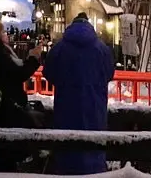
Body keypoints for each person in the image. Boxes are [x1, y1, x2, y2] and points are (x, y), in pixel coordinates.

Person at [43, 14, 115, 175]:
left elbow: (48, 72)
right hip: (94, 106)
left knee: (66, 148)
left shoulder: (59, 48)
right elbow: (109, 73)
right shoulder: (102, 49)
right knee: (93, 147)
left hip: (65, 106)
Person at [0, 10, 45, 172]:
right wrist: (33, 59)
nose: (6, 35)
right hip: (4, 112)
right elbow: (17, 74)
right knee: (4, 160)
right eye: (2, 32)